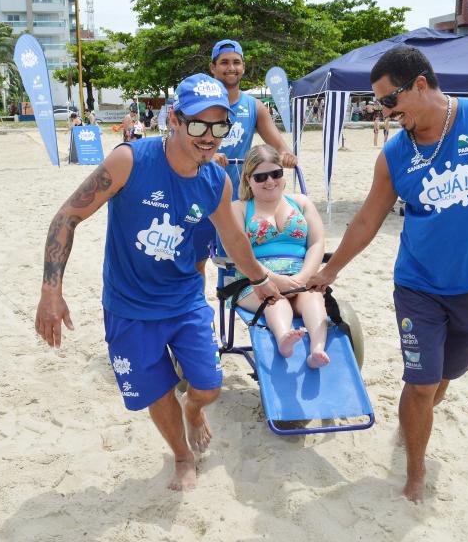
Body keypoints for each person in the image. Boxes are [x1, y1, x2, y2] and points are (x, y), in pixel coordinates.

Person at [306, 46, 468, 503]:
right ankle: (414, 473)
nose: (383, 111)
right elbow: (366, 220)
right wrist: (329, 272)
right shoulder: (392, 154)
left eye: (389, 101)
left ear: (420, 84)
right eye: (378, 104)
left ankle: (414, 423)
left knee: (445, 376)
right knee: (422, 382)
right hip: (418, 285)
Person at [35, 73, 281, 492]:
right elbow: (66, 217)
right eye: (199, 124)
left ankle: (195, 410)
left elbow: (235, 239)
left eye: (219, 126)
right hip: (128, 307)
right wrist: (50, 292)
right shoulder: (129, 160)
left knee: (208, 386)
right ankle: (182, 456)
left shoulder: (215, 180)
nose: (209, 136)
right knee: (156, 391)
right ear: (174, 119)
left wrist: (260, 279)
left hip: (184, 301)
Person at [190, 39, 299, 277]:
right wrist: (206, 156)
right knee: (195, 262)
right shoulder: (200, 104)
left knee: (235, 263)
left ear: (244, 66)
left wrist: (287, 156)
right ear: (212, 68)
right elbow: (184, 145)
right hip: (199, 192)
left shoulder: (253, 106)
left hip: (236, 201)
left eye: (236, 62)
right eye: (224, 63)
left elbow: (279, 146)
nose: (231, 68)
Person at [232, 144, 329, 368]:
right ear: (247, 179)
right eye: (260, 177)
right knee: (274, 300)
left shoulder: (301, 202)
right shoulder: (238, 208)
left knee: (314, 298)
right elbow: (239, 253)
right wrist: (274, 280)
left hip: (300, 278)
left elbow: (316, 243)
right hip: (256, 281)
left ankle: (317, 350)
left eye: (276, 174)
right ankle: (284, 337)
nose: (270, 181)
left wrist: (304, 276)